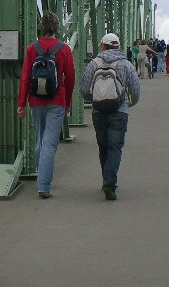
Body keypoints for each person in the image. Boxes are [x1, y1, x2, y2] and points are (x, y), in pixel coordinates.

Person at [17, 11, 76, 198]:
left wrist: (21, 104)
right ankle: (43, 186)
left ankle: (40, 174)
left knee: (40, 140)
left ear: (41, 27)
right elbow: (71, 78)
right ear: (57, 27)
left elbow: (25, 78)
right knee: (49, 144)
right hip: (56, 100)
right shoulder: (64, 49)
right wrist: (67, 103)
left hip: (35, 100)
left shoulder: (32, 49)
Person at [80, 33, 140, 201]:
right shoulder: (126, 64)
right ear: (118, 46)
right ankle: (109, 183)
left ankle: (106, 180)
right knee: (115, 147)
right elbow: (135, 91)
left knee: (103, 146)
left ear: (103, 46)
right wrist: (127, 104)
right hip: (119, 112)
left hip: (98, 111)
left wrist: (95, 100)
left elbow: (84, 89)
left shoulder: (94, 64)